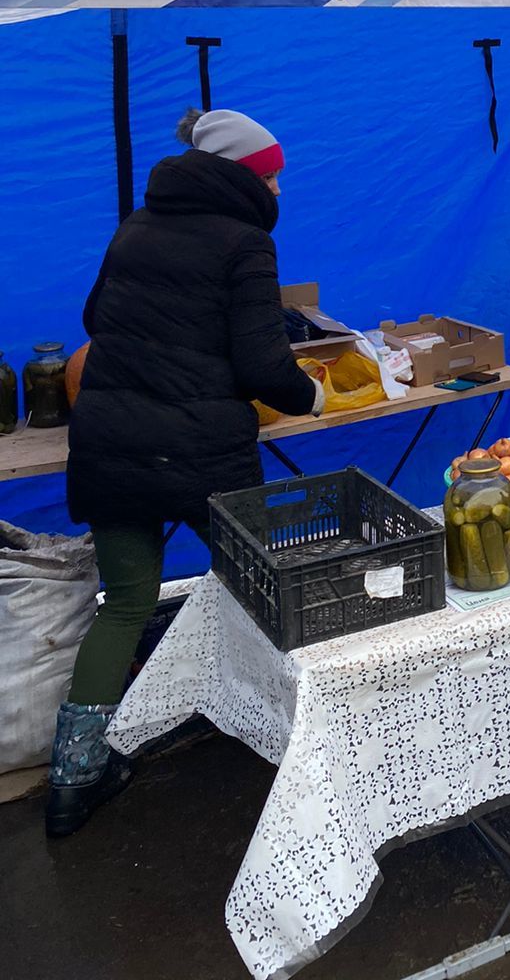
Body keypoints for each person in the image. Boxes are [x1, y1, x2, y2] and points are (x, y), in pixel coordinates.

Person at [47, 108, 323, 838]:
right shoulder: (245, 242)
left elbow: (96, 317)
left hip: (112, 445)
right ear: (245, 177)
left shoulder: (135, 226)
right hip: (203, 453)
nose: (280, 188)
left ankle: (73, 782)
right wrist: (313, 394)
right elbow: (264, 365)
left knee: (127, 601)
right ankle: (310, 745)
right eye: (273, 176)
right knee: (269, 585)